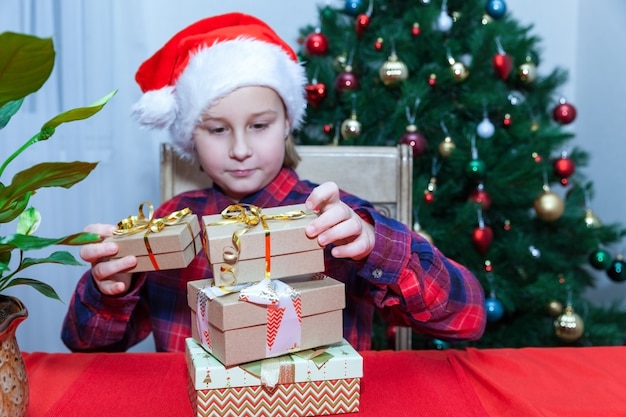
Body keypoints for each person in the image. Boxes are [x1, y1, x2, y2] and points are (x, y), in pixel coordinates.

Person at [61, 12, 486, 352]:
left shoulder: (338, 222)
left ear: (287, 123)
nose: (241, 149)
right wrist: (109, 289)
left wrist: (378, 246)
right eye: (217, 130)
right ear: (190, 137)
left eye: (259, 125)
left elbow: (468, 319)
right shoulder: (173, 222)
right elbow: (84, 344)